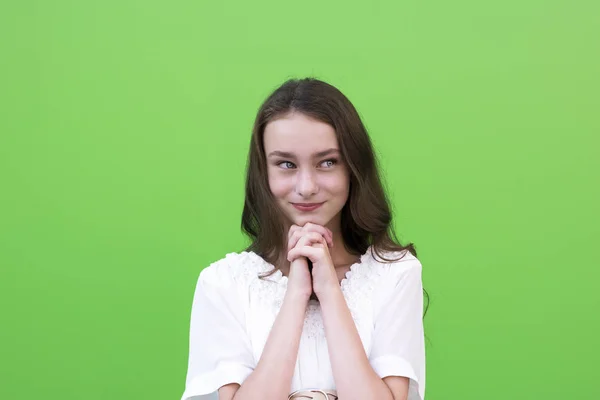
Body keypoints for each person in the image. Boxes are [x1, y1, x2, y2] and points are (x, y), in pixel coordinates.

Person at [180, 78, 428, 400]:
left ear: (353, 167)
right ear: (263, 172)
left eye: (327, 162)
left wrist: (328, 288)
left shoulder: (395, 274)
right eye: (286, 164)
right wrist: (297, 294)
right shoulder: (223, 283)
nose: (307, 186)